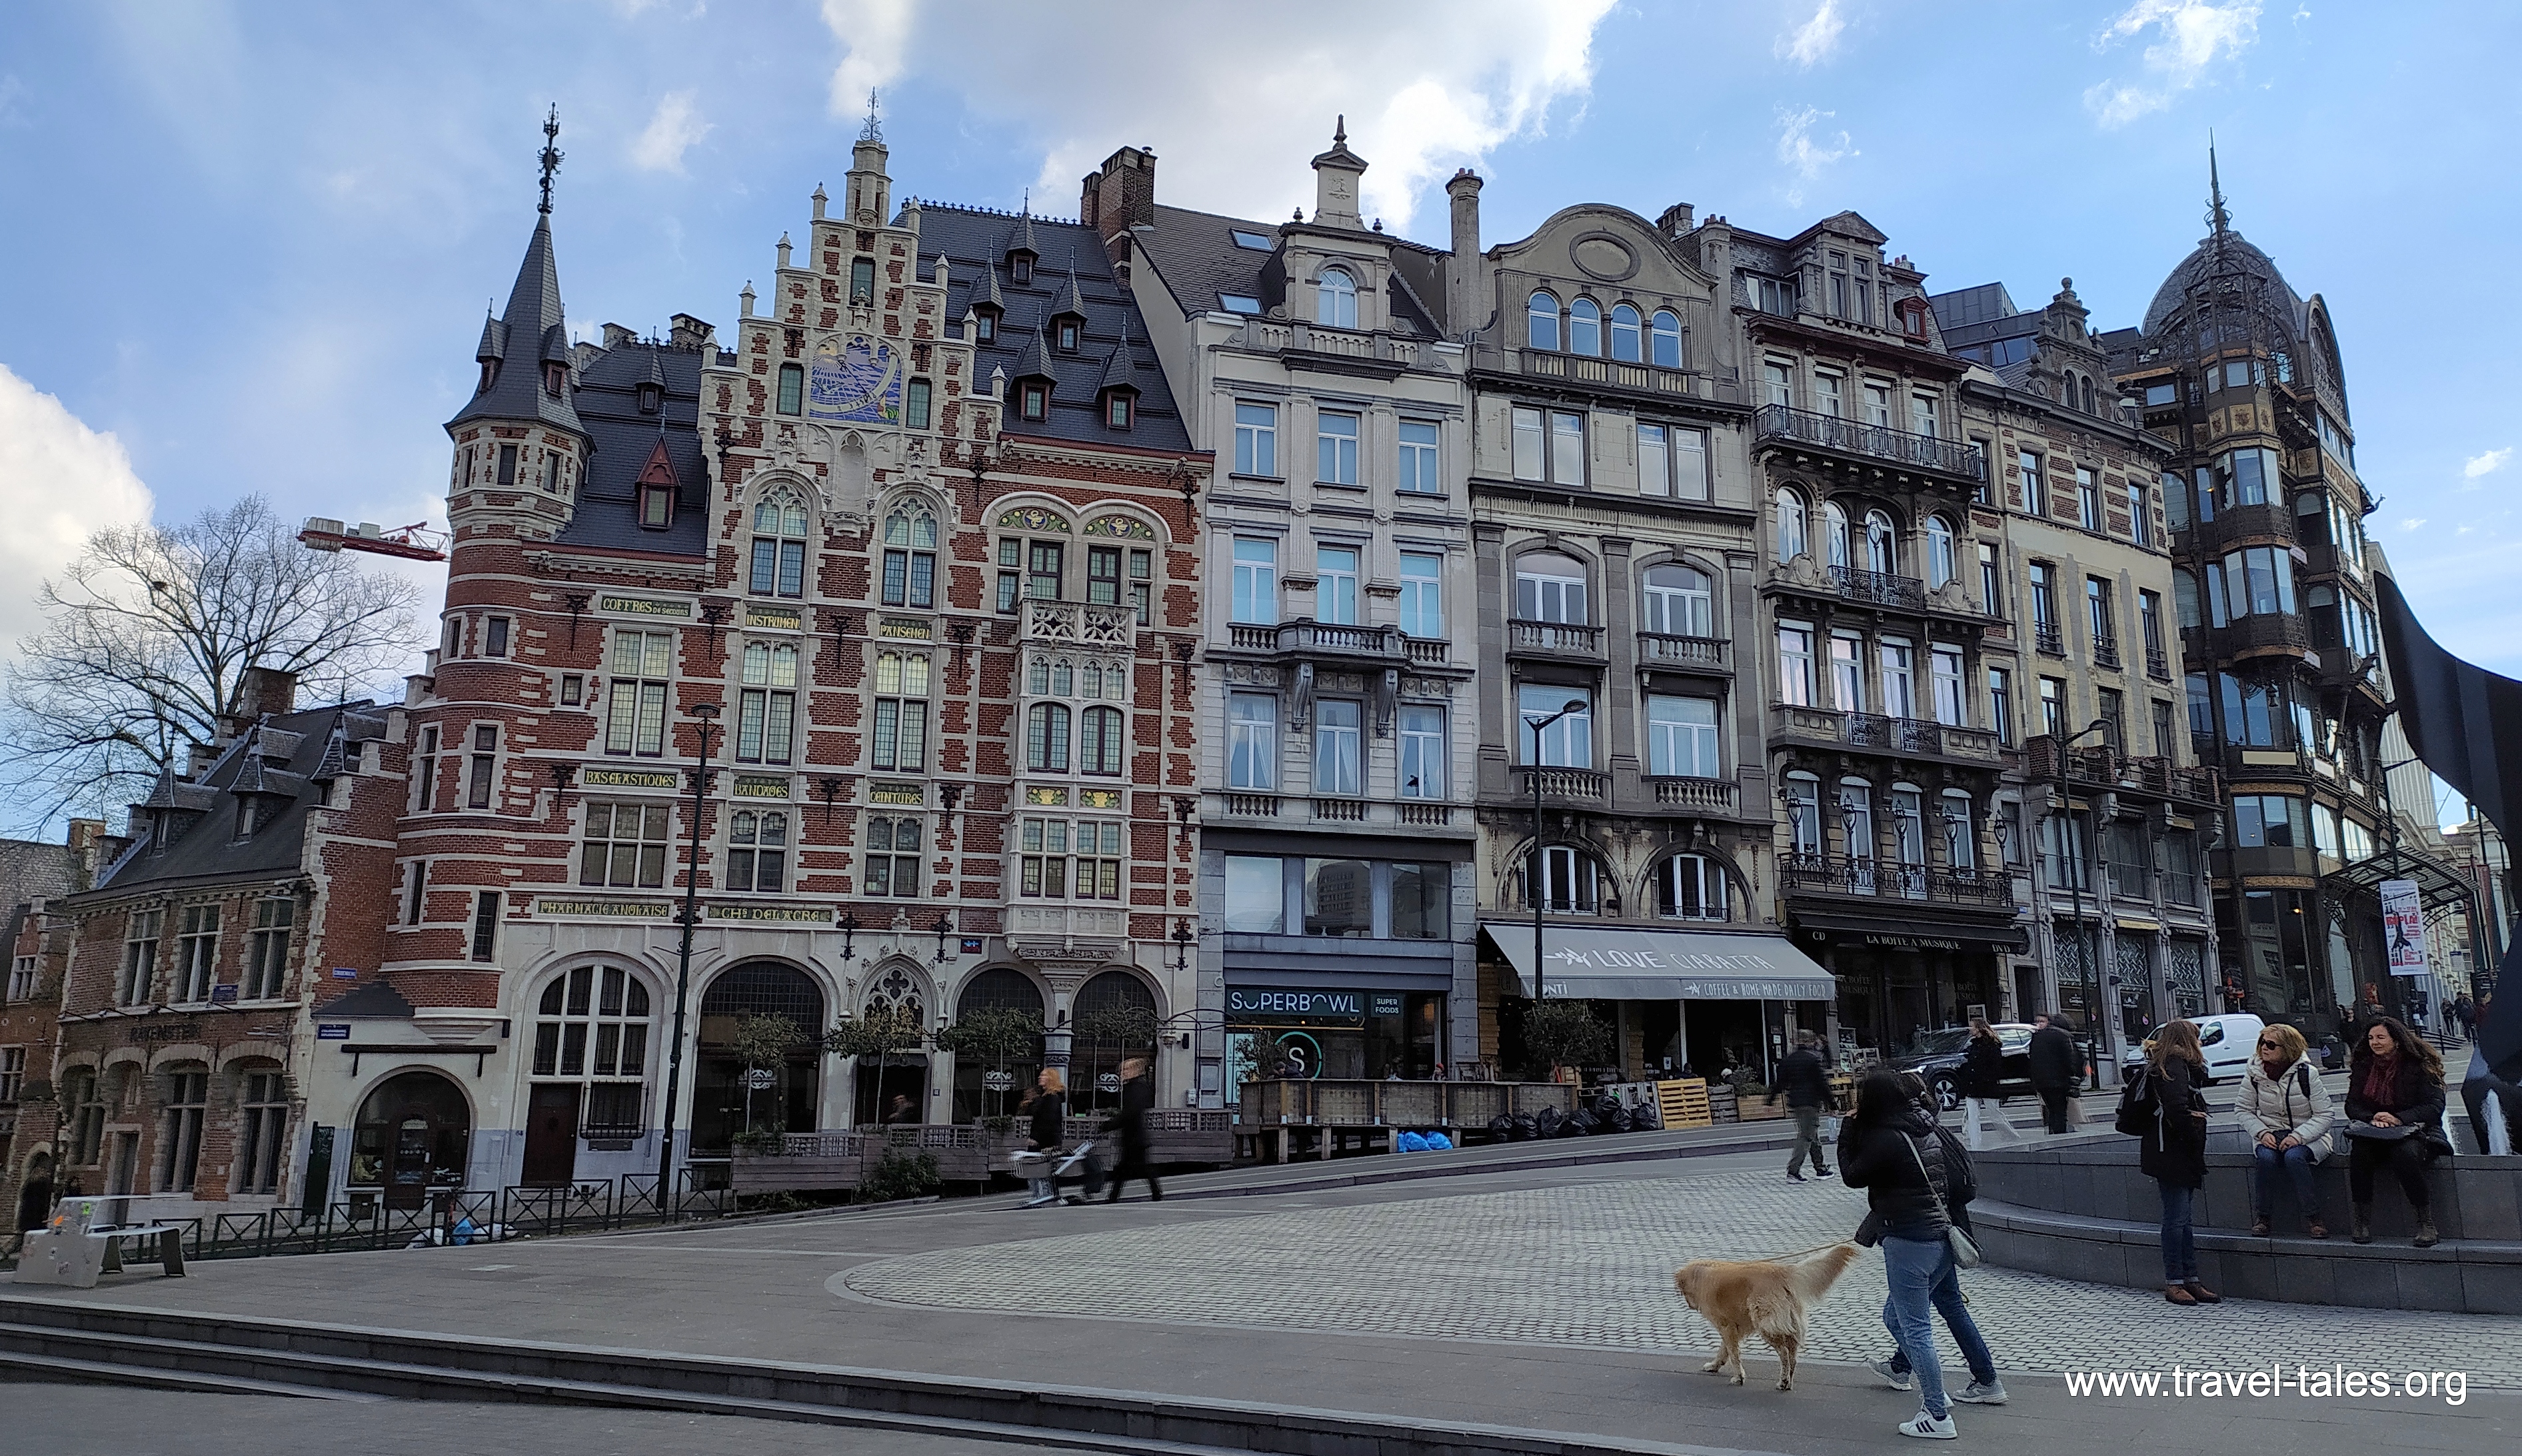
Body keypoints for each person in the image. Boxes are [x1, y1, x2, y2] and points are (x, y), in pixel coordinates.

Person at [1842, 1071, 2003, 1438]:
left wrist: (1848, 1131)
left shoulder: (1886, 1137)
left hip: (1909, 1241)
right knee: (1902, 1317)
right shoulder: (1925, 1129)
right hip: (1940, 1237)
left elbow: (1852, 1175)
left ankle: (1937, 1414)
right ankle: (1942, 1385)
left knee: (1915, 1329)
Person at [2344, 1016, 2447, 1247]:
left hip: (2415, 1131)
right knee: (2360, 1153)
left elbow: (2434, 1107)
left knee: (2405, 1155)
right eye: (2371, 1038)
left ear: (2397, 1040)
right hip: (2375, 1130)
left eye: (2381, 1037)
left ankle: (2426, 1222)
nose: (2375, 1042)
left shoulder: (2419, 1065)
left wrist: (2399, 1118)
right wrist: (2373, 1118)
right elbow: (2352, 1105)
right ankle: (2361, 1221)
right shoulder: (2363, 1066)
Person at [2135, 1019, 2216, 1305]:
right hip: (2172, 1150)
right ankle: (2176, 1281)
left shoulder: (2170, 1063)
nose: (2201, 1043)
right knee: (2177, 1218)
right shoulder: (2174, 1065)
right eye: (2198, 1037)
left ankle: (2189, 1278)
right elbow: (2177, 1108)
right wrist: (2193, 1131)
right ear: (2187, 1040)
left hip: (2169, 1149)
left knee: (2183, 1219)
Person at [2237, 1023, 2332, 1238]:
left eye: (2271, 1044)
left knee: (2294, 1157)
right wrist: (2262, 1133)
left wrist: (2298, 1136)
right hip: (2270, 1134)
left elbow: (2325, 1115)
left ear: (2288, 1047)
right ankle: (2263, 1218)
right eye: (2262, 1042)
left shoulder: (2307, 1073)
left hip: (2309, 1136)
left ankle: (2314, 1218)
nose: (2264, 1048)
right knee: (2266, 1159)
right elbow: (2243, 1109)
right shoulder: (2254, 1074)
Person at [1768, 1030, 1834, 1181]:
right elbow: (1822, 1084)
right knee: (1806, 1136)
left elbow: (1780, 1083)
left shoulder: (1789, 1060)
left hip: (1796, 1103)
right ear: (1810, 1042)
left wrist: (1770, 1100)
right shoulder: (1813, 1059)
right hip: (1811, 1102)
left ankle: (1820, 1167)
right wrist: (1832, 1105)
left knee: (1811, 1134)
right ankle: (1794, 1170)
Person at [1103, 1054, 1162, 1203]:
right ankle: (1155, 1193)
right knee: (1131, 1168)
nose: (1123, 1073)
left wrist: (1110, 1125)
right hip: (1133, 1135)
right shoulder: (1136, 1087)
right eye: (1122, 1070)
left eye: (1126, 1069)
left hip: (1134, 1136)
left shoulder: (1136, 1088)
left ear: (1135, 1071)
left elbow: (1130, 1112)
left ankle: (1113, 1198)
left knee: (1130, 1168)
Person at [1959, 1017, 2021, 1149]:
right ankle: (1975, 1145)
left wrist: (1986, 1078)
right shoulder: (1973, 1044)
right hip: (1975, 1085)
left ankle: (2011, 1136)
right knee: (1972, 1117)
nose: (1970, 1029)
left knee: (1995, 1115)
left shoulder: (1991, 1045)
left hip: (1986, 1085)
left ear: (1979, 1029)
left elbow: (1995, 1066)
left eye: (1972, 1026)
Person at [2027, 1013, 2079, 1135]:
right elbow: (2071, 1059)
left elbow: (2032, 1058)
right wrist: (2074, 1076)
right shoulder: (2064, 1036)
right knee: (2060, 1110)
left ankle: (2052, 1132)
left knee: (2051, 1109)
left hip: (2041, 1080)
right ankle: (2059, 1135)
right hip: (2059, 1080)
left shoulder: (2037, 1037)